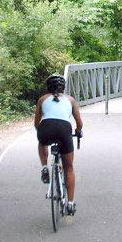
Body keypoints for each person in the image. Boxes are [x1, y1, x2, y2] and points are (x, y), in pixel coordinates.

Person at [35, 74, 83, 215]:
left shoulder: (42, 99)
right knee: (68, 167)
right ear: (63, 87)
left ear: (48, 87)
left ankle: (44, 167)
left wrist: (43, 134)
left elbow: (36, 123)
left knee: (42, 142)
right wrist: (78, 131)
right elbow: (79, 123)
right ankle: (70, 203)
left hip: (46, 127)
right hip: (64, 129)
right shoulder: (70, 100)